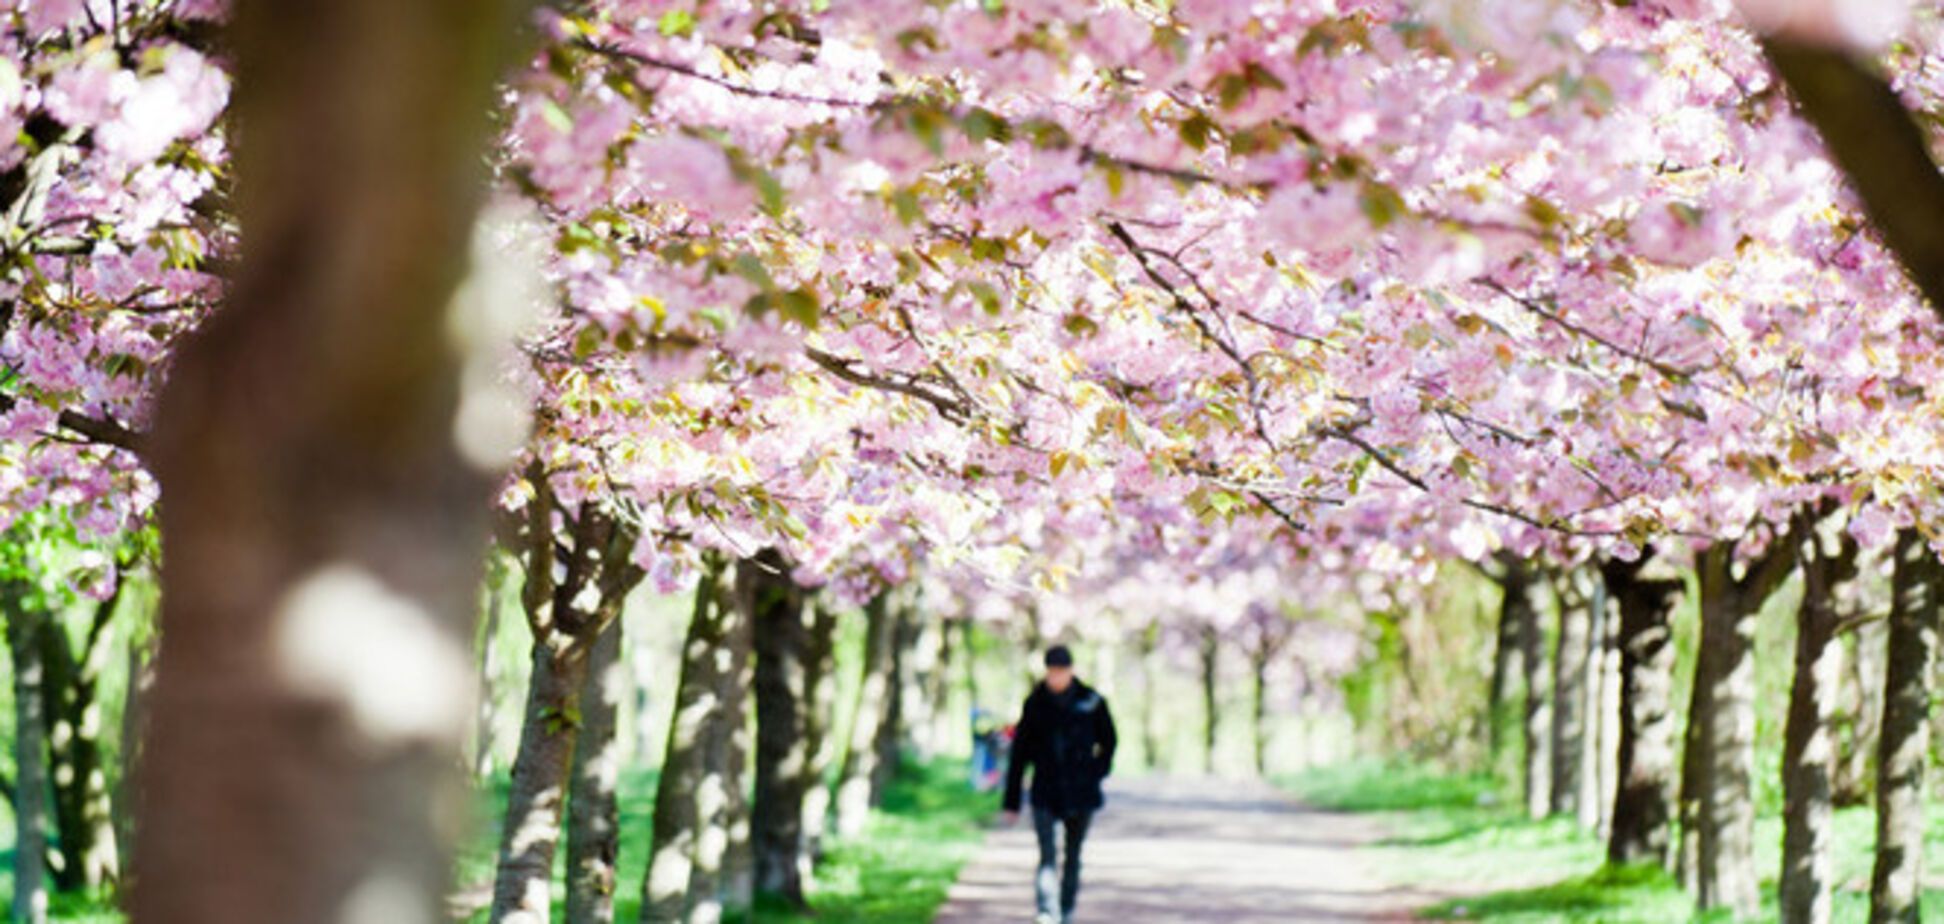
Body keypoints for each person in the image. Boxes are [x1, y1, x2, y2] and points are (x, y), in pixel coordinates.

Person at [1002, 644, 1117, 924]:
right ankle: (1047, 911)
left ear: (1071, 671)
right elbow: (1020, 754)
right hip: (1045, 791)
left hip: (1081, 792)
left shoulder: (1091, 702)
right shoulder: (1035, 704)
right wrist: (1012, 801)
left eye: (1061, 672)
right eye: (1052, 672)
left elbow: (1109, 741)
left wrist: (1095, 773)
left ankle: (1066, 910)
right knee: (1047, 855)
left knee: (1073, 855)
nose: (1056, 677)